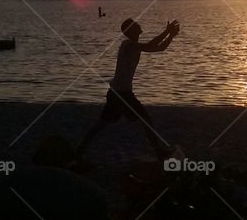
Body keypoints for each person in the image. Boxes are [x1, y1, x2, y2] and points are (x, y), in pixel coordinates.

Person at [77, 18, 180, 159]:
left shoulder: (135, 46)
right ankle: (159, 153)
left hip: (119, 93)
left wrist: (171, 36)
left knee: (102, 124)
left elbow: (159, 48)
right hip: (121, 94)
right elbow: (151, 44)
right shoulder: (128, 45)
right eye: (135, 24)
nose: (139, 24)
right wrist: (167, 31)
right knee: (145, 120)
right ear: (130, 30)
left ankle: (79, 151)